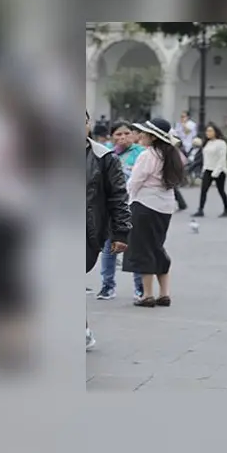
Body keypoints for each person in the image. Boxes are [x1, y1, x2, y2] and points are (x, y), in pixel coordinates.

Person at [124, 118, 184, 307]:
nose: (141, 135)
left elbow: (135, 182)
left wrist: (127, 200)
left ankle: (147, 295)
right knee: (157, 247)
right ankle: (164, 293)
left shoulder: (148, 155)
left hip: (144, 205)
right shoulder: (172, 155)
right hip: (165, 207)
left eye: (145, 133)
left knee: (142, 249)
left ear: (153, 136)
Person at [86, 111, 131, 350]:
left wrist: (121, 232)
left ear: (88, 125)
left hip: (88, 231)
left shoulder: (103, 157)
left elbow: (117, 197)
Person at [96, 120, 145, 301]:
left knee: (135, 247)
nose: (123, 137)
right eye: (118, 134)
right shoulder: (105, 153)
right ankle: (107, 286)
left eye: (126, 133)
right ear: (112, 137)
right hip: (111, 206)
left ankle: (140, 287)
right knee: (109, 247)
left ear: (133, 135)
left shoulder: (141, 153)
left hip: (135, 204)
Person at [192, 122, 227, 218]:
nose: (208, 133)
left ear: (215, 132)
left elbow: (222, 159)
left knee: (221, 190)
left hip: (219, 170)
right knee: (203, 190)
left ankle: (226, 209)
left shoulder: (221, 143)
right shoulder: (207, 143)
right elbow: (205, 158)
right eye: (207, 131)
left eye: (210, 131)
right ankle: (200, 209)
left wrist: (216, 172)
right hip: (208, 169)